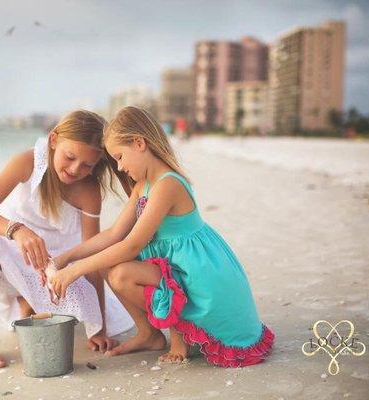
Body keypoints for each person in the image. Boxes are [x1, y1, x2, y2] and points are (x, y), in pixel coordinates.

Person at [49, 106, 274, 367]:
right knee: (109, 265)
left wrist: (74, 271)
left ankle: (180, 338)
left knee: (121, 272)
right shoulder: (144, 184)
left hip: (197, 275)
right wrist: (64, 259)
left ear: (139, 143)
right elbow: (114, 234)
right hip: (174, 268)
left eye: (120, 157)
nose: (120, 167)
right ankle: (149, 334)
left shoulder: (168, 184)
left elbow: (131, 245)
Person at [0, 110, 134, 369]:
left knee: (69, 282)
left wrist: (99, 327)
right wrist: (17, 230)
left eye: (88, 165)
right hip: (11, 251)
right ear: (53, 140)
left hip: (55, 268)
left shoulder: (88, 188)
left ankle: (28, 299)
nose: (76, 169)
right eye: (70, 157)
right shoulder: (27, 161)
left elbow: (91, 255)